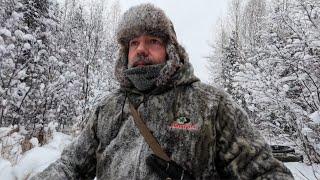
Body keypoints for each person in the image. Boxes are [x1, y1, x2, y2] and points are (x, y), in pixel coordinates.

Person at [31, 3, 293, 180]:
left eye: (152, 41)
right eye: (134, 43)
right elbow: (70, 167)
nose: (141, 49)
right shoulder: (107, 109)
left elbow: (265, 172)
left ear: (171, 49)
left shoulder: (210, 105)